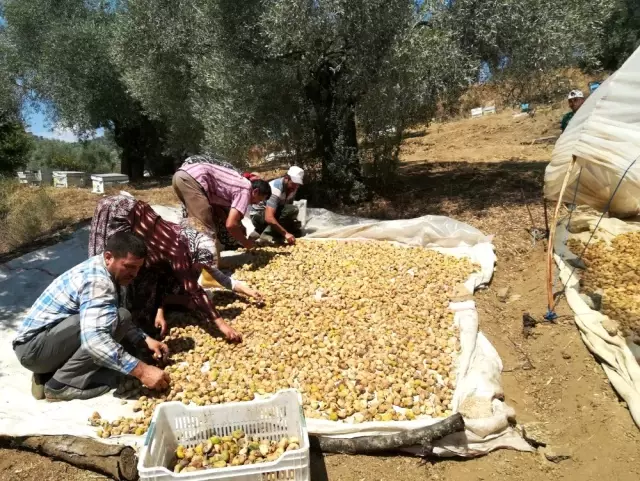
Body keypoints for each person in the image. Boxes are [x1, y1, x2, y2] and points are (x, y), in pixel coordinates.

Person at [13, 232, 171, 402]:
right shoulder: (98, 282)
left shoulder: (107, 270)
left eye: (138, 268)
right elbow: (95, 340)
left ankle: (49, 371)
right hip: (33, 349)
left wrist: (144, 339)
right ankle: (60, 385)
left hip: (46, 342)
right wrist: (142, 371)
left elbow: (111, 314)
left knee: (121, 316)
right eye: (129, 266)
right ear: (109, 257)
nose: (134, 274)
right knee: (101, 332)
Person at [88, 193, 262, 341]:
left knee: (147, 279)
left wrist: (244, 289)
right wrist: (222, 325)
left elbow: (214, 274)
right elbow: (194, 290)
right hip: (117, 212)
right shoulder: (179, 250)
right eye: (199, 266)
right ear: (192, 256)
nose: (200, 269)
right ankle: (105, 326)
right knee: (109, 270)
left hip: (139, 222)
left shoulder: (193, 245)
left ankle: (141, 322)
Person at [172, 159, 272, 251]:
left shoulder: (241, 184)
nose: (257, 203)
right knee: (204, 229)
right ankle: (210, 266)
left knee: (196, 224)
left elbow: (221, 212)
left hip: (181, 176)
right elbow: (231, 224)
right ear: (255, 191)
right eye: (259, 200)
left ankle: (203, 260)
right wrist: (247, 243)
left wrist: (236, 228)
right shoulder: (246, 190)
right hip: (192, 178)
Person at [250, 166, 304, 245]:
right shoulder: (275, 188)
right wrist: (285, 233)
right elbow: (268, 217)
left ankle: (260, 231)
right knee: (293, 210)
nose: (295, 186)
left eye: (298, 184)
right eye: (293, 183)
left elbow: (286, 207)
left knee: (296, 229)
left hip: (274, 213)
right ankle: (267, 235)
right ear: (286, 178)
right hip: (258, 216)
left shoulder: (292, 188)